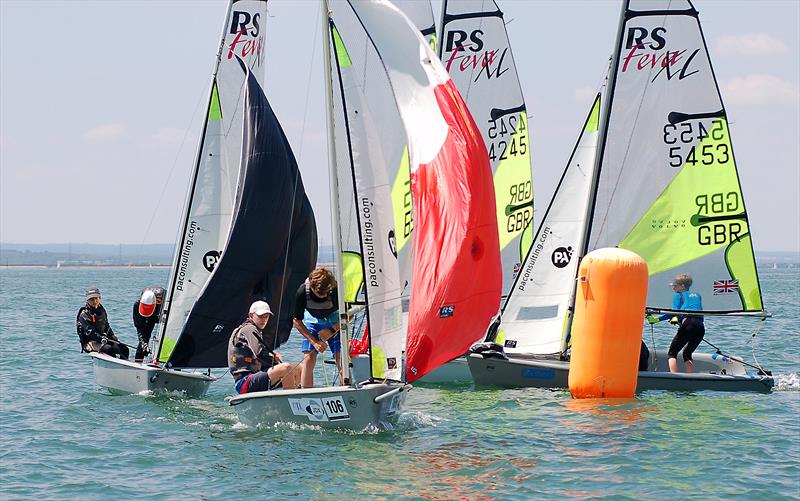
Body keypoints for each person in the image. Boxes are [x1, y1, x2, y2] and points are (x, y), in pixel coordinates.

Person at [228, 300, 301, 393]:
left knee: (299, 367)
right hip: (244, 383)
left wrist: (274, 361)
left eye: (266, 317)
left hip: (256, 378)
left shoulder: (256, 331)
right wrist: (274, 359)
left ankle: (300, 398)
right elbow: (259, 354)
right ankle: (293, 401)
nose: (264, 320)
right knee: (286, 368)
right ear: (251, 315)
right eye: (260, 316)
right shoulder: (249, 328)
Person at [292, 267, 343, 388]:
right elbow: (297, 321)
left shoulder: (335, 290)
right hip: (312, 320)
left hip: (335, 320)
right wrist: (314, 342)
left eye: (325, 294)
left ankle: (347, 387)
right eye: (319, 293)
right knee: (309, 358)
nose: (322, 296)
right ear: (312, 288)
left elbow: (348, 315)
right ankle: (306, 391)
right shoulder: (302, 291)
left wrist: (331, 330)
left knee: (340, 358)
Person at [647, 273, 704, 373]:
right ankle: (690, 377)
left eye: (675, 286)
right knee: (687, 353)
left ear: (682, 286)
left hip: (688, 324)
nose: (673, 288)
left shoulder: (678, 295)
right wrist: (677, 318)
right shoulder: (697, 295)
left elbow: (673, 312)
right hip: (700, 326)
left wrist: (656, 320)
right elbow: (691, 309)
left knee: (672, 353)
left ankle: (675, 376)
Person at [76, 287, 129, 359]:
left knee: (124, 349)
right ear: (87, 300)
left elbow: (106, 325)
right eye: (91, 299)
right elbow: (90, 332)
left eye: (96, 298)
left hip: (104, 339)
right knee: (109, 349)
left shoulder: (102, 310)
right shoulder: (84, 314)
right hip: (90, 342)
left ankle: (123, 367)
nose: (94, 301)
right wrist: (101, 339)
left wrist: (112, 336)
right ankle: (111, 368)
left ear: (99, 298)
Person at [133, 286, 165, 360]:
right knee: (144, 338)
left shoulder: (164, 304)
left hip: (158, 313)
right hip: (145, 315)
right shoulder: (137, 305)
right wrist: (144, 344)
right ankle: (138, 362)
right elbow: (139, 327)